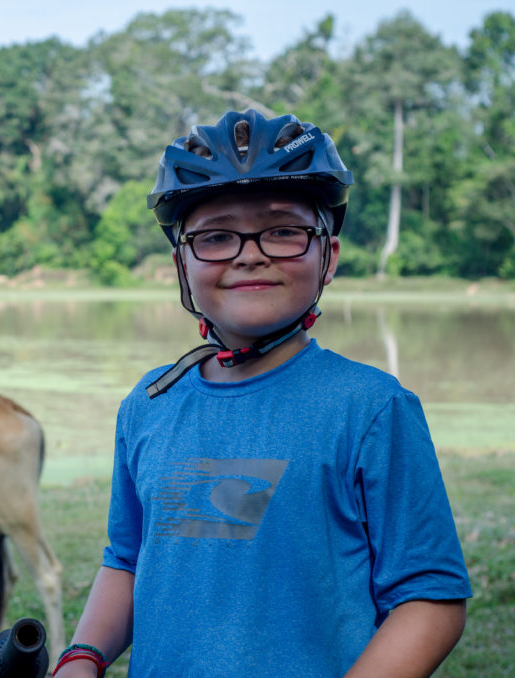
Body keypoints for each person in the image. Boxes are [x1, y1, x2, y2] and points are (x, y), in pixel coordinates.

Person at [54, 109, 472, 678]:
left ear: (328, 257)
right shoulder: (148, 405)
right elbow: (126, 560)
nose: (250, 253)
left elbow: (430, 599)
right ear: (182, 264)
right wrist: (82, 657)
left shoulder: (371, 407)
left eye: (283, 231)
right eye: (217, 237)